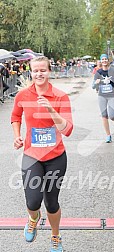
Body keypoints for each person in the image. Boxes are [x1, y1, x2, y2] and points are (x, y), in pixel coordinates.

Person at [11, 56, 73, 252]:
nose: (39, 74)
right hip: (31, 155)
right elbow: (15, 116)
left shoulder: (61, 96)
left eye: (43, 70)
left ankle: (55, 236)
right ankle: (33, 218)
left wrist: (50, 110)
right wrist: (17, 136)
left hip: (55, 157)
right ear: (31, 71)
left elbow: (68, 129)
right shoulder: (22, 96)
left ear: (49, 71)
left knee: (51, 202)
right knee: (33, 201)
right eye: (36, 70)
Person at [93, 54, 114, 143]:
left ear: (108, 60)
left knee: (113, 116)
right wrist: (96, 83)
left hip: (111, 95)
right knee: (104, 116)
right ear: (100, 61)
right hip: (102, 96)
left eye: (106, 59)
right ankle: (108, 135)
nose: (104, 61)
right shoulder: (98, 72)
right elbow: (93, 86)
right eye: (103, 59)